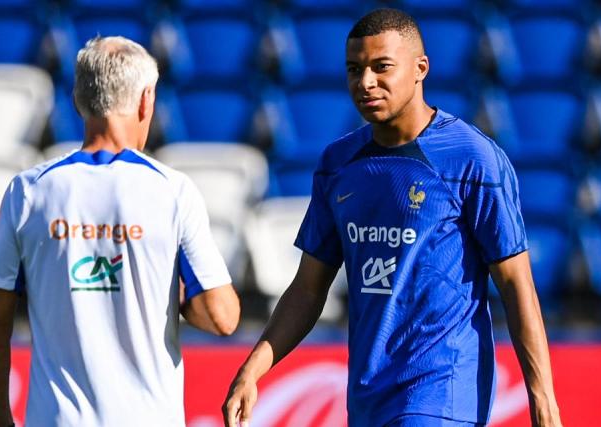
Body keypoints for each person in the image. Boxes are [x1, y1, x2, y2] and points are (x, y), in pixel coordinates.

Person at [223, 8, 561, 427]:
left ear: (421, 69)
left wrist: (544, 401)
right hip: (366, 398)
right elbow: (309, 289)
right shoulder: (338, 164)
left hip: (440, 392)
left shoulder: (472, 160)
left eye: (382, 67)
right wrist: (253, 370)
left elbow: (516, 284)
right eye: (354, 69)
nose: (365, 83)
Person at [0, 36, 240, 427]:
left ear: (79, 98)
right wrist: (166, 292)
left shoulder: (29, 190)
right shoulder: (171, 191)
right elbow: (224, 318)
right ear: (146, 100)